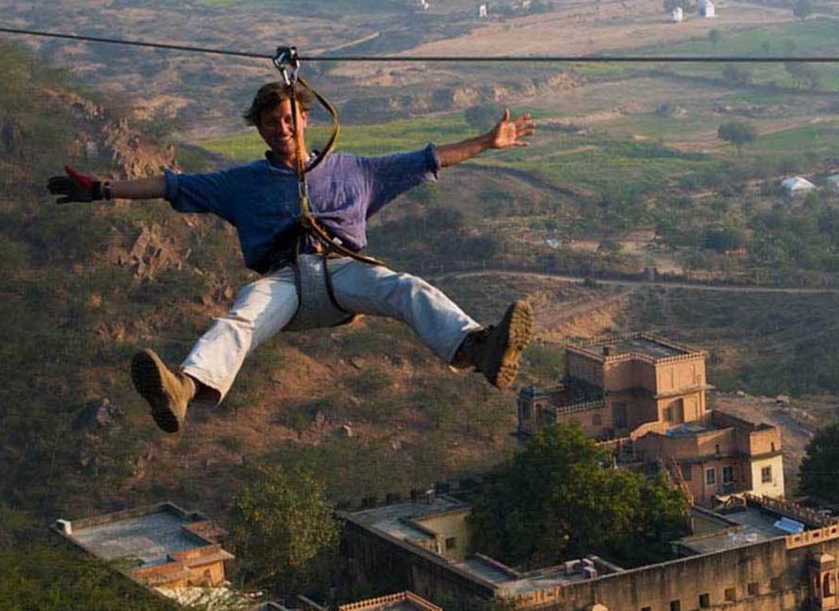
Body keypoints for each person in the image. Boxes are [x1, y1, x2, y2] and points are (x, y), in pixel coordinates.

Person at [48, 82, 535, 434]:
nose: (281, 128)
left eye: (288, 118)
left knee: (404, 288)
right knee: (240, 318)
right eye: (270, 122)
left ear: (305, 119)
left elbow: (426, 159)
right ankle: (184, 389)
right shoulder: (241, 183)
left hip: (343, 271)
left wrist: (487, 142)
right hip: (283, 279)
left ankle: (479, 349)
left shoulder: (355, 171)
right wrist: (102, 190)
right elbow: (170, 186)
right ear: (260, 130)